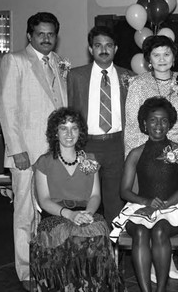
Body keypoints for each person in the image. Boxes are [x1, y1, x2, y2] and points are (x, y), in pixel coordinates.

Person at [0, 12, 67, 290]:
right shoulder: (15, 61)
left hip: (56, 154)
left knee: (52, 212)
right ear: (29, 35)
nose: (46, 38)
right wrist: (16, 150)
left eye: (51, 34)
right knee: (25, 213)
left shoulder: (59, 62)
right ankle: (26, 271)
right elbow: (7, 107)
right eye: (41, 34)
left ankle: (49, 263)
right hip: (26, 152)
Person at [30, 107, 122, 291]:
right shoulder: (44, 162)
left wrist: (87, 214)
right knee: (72, 240)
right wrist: (71, 215)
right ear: (55, 132)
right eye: (63, 128)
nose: (69, 133)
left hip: (87, 212)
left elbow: (96, 195)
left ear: (80, 132)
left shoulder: (91, 160)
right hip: (57, 214)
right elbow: (44, 200)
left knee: (94, 236)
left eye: (74, 128)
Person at [111, 97, 178, 292]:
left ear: (170, 124)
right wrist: (146, 201)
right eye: (153, 120)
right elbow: (124, 191)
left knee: (159, 230)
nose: (158, 125)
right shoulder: (136, 153)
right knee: (140, 232)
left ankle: (161, 289)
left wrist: (164, 204)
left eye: (164, 120)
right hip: (142, 205)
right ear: (145, 124)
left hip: (172, 207)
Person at [67, 26, 135, 223]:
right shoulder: (76, 76)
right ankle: (89, 244)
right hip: (87, 144)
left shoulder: (128, 77)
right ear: (90, 49)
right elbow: (70, 110)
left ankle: (114, 248)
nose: (103, 50)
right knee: (85, 198)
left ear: (116, 49)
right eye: (98, 45)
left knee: (115, 200)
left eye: (108, 45)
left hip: (116, 145)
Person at [124, 35, 178, 156]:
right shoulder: (138, 84)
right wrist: (132, 159)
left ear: (173, 57)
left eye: (166, 54)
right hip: (148, 151)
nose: (162, 59)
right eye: (156, 55)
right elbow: (132, 126)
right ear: (149, 59)